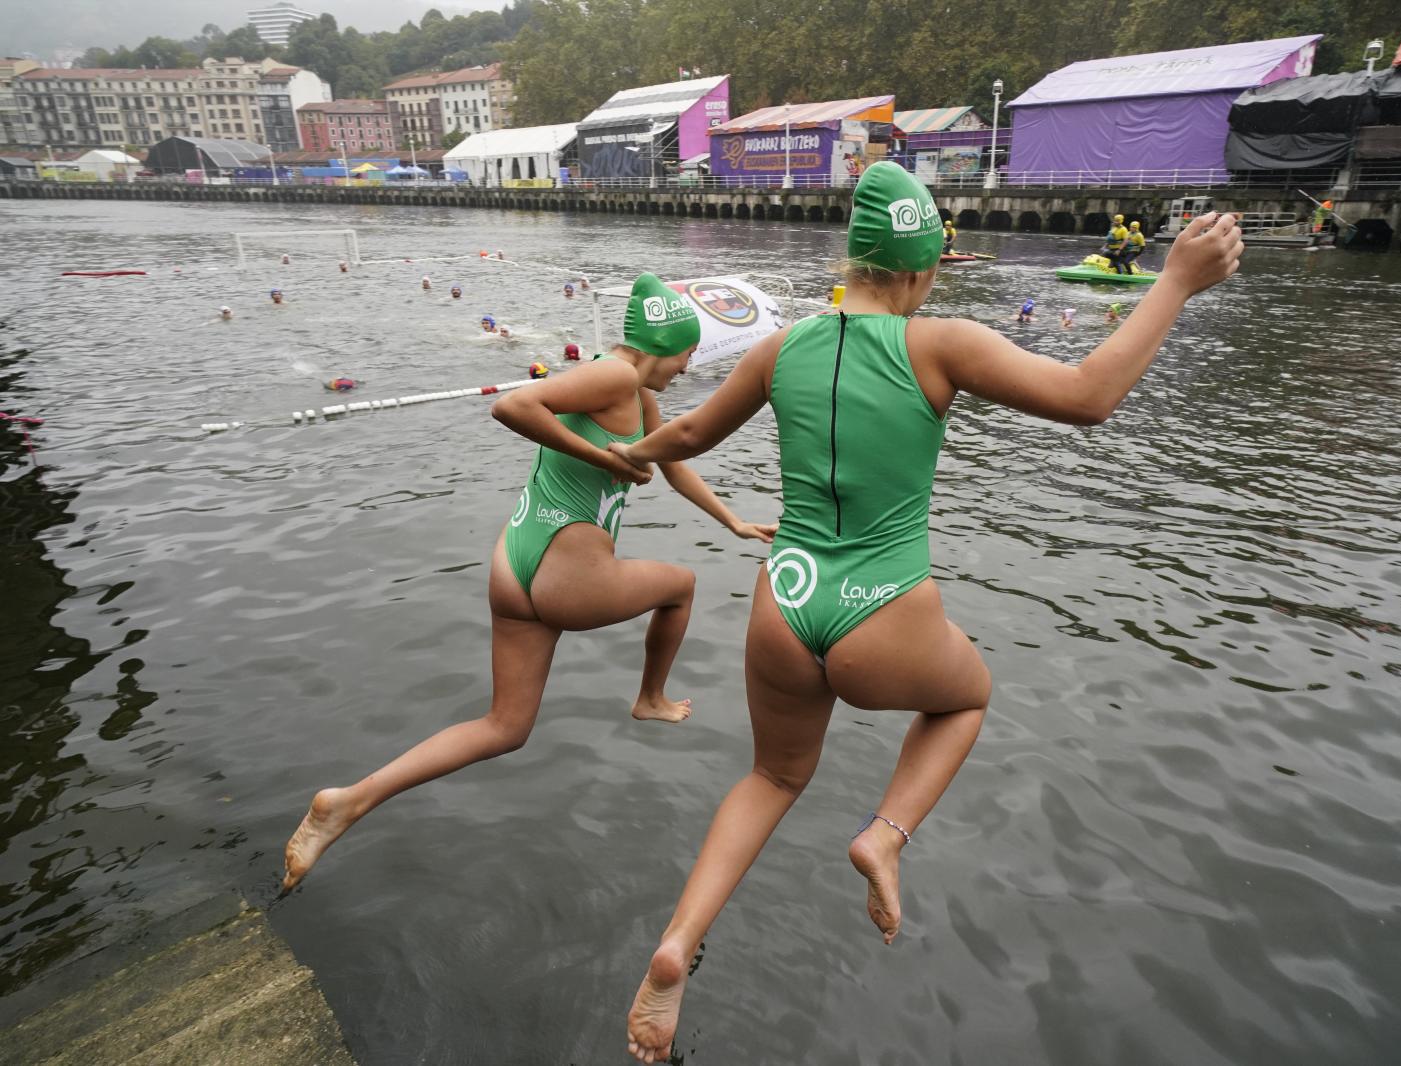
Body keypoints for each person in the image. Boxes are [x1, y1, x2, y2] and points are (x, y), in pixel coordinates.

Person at [615, 161, 1244, 1063]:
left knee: (772, 779)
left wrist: (624, 453)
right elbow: (1088, 397)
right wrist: (1175, 280)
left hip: (783, 603)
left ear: (856, 260)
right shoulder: (940, 343)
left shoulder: (782, 346)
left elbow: (683, 437)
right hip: (885, 611)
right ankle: (885, 834)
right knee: (965, 698)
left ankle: (677, 943)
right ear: (921, 271)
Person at [281, 273, 779, 894]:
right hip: (569, 574)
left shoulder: (634, 391)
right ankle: (650, 697)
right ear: (659, 348)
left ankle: (347, 802)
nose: (685, 369)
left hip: (516, 563)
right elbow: (513, 406)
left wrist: (731, 520)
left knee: (504, 728)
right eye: (684, 357)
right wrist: (611, 460)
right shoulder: (618, 377)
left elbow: (671, 461)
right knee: (681, 584)